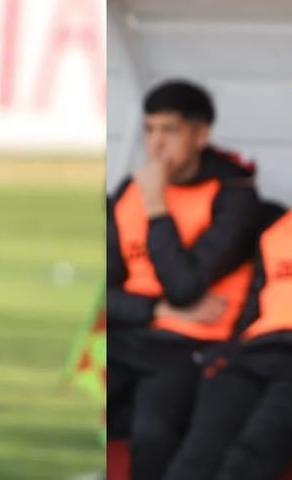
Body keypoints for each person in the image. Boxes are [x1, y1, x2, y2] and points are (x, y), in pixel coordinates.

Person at [162, 109, 292, 480]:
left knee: (249, 459)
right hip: (257, 353)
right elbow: (251, 310)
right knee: (194, 460)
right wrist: (223, 357)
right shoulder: (279, 228)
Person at [106, 79, 262, 480]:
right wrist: (154, 307)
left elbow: (185, 287)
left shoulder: (235, 196)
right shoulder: (129, 192)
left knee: (151, 435)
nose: (156, 144)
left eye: (169, 130)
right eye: (149, 129)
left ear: (200, 134)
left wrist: (157, 206)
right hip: (132, 330)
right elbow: (103, 292)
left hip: (191, 342)